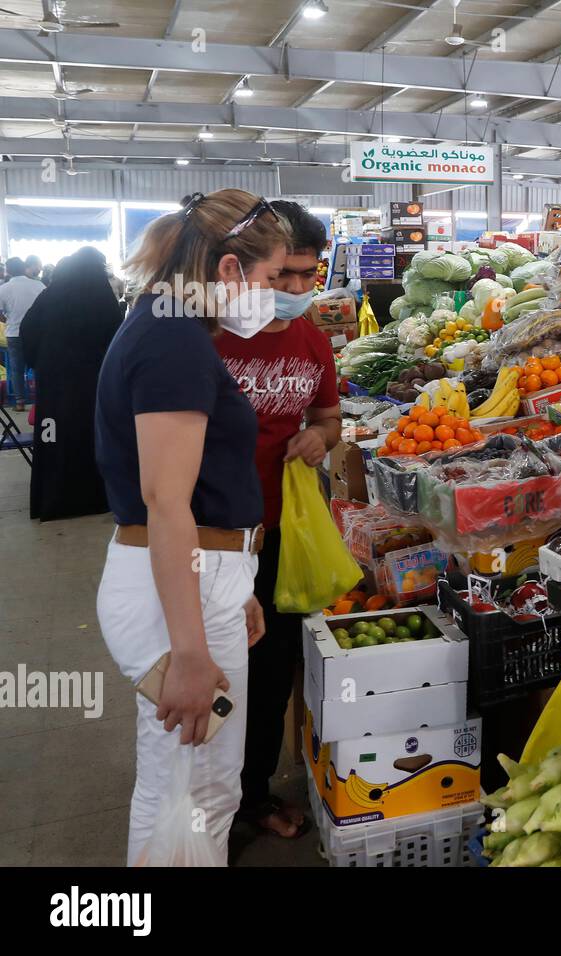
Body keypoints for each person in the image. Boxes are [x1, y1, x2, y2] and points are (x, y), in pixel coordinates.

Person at [95, 189, 287, 865]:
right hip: (179, 589)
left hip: (201, 579)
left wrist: (238, 588)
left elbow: (195, 494)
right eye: (267, 280)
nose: (271, 296)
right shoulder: (172, 341)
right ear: (229, 270)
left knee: (195, 781)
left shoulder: (163, 325)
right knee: (190, 785)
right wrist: (191, 649)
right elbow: (165, 501)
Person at [215, 199, 339, 840]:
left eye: (306, 276)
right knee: (216, 675)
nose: (292, 290)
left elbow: (327, 419)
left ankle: (253, 794)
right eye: (282, 274)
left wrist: (320, 440)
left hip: (281, 535)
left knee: (267, 676)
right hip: (210, 540)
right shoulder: (207, 337)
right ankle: (210, 808)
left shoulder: (313, 340)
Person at [20, 247, 122, 520]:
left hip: (54, 379)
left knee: (51, 436)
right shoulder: (102, 296)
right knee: (88, 435)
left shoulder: (51, 293)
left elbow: (27, 329)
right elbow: (116, 335)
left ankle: (52, 499)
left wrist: (39, 361)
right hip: (91, 381)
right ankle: (91, 498)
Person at [0, 255, 45, 410]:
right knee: (39, 366)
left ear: (9, 271)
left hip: (14, 333)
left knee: (16, 369)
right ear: (24, 267)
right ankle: (41, 399)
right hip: (37, 333)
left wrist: (8, 318)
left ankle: (19, 402)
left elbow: (0, 312)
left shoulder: (3, 289)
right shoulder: (39, 286)